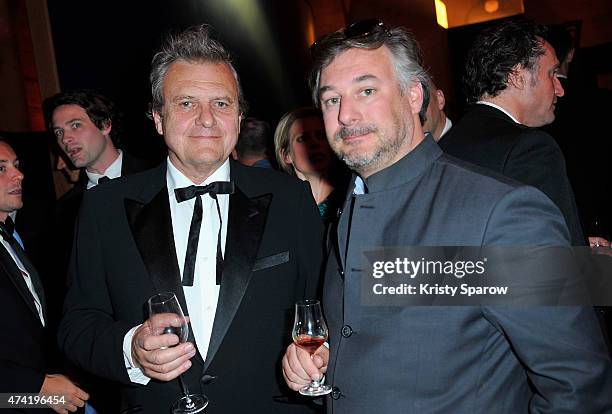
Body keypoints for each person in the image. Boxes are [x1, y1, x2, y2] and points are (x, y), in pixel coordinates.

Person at [281, 18, 612, 413]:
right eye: (331, 99)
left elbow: (579, 386)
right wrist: (319, 365)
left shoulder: (500, 211)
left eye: (366, 91)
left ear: (414, 96)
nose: (346, 115)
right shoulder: (346, 208)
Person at [58, 25, 323, 413]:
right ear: (158, 118)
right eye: (185, 103)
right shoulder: (104, 208)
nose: (206, 119)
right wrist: (131, 349)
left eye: (221, 103)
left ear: (238, 117)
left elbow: (327, 306)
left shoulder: (290, 198)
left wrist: (321, 354)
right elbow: (77, 325)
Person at [440, 19, 585, 246]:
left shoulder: (443, 147)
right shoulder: (530, 149)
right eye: (552, 74)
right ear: (517, 76)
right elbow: (556, 261)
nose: (560, 89)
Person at [0, 139, 89, 413]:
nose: (19, 175)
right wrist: (35, 387)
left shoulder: (13, 237)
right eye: (0, 168)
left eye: (16, 165)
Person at [274, 107, 345, 224]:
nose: (314, 144)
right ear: (286, 155)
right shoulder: (278, 210)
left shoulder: (348, 201)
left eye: (321, 136)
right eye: (303, 139)